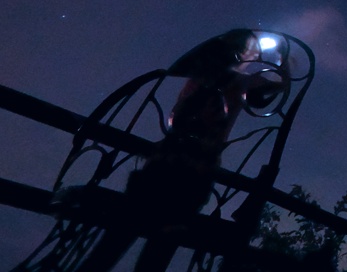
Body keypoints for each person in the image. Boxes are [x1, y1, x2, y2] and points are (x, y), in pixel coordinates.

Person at [76, 30, 285, 272]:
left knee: (120, 237)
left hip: (164, 167)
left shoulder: (201, 78)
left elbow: (175, 118)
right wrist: (282, 63)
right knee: (156, 244)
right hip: (190, 174)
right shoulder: (236, 83)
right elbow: (275, 87)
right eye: (249, 50)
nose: (252, 55)